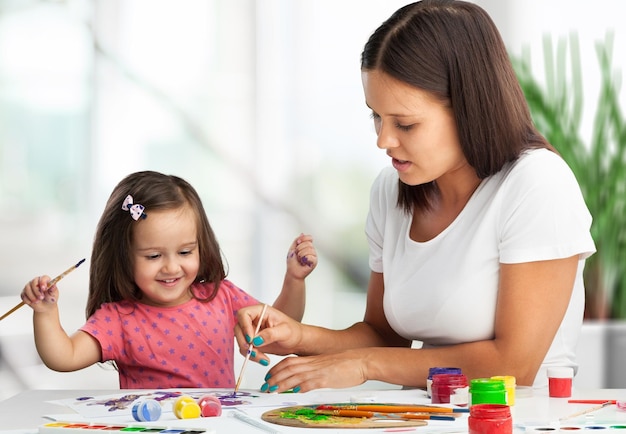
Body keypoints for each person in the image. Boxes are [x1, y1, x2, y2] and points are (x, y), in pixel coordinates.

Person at [235, 0, 595, 393]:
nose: (383, 141)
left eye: (405, 124)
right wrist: (300, 336)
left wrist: (362, 365)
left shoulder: (537, 183)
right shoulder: (391, 191)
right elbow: (384, 337)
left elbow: (513, 365)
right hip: (426, 418)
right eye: (376, 116)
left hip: (522, 419)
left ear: (468, 108)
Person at [20, 171, 317, 389]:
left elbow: (282, 328)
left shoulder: (220, 296)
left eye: (185, 251)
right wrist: (45, 313)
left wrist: (294, 280)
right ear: (123, 256)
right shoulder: (118, 319)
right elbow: (64, 357)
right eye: (153, 256)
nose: (172, 267)